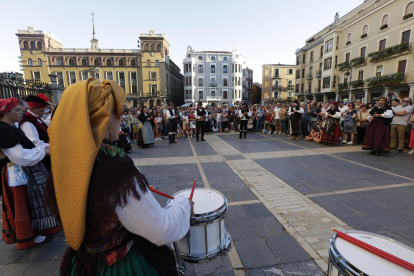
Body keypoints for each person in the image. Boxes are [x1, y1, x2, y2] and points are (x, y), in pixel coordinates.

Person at [44, 79, 194, 276]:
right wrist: (182, 205)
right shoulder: (113, 164)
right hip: (122, 266)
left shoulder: (64, 159)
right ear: (104, 117)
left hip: (84, 263)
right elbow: (161, 230)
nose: (120, 120)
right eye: (119, 113)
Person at [0, 98, 62, 250]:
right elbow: (21, 156)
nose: (20, 112)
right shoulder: (4, 129)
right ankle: (30, 235)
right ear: (6, 113)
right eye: (16, 110)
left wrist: (44, 150)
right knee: (25, 204)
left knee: (33, 202)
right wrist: (43, 151)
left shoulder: (10, 127)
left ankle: (36, 232)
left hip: (25, 170)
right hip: (18, 172)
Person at [19, 94, 52, 171]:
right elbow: (35, 143)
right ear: (32, 109)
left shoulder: (37, 118)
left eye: (44, 110)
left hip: (46, 152)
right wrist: (52, 146)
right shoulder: (27, 122)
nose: (43, 113)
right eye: (41, 111)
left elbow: (47, 124)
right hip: (40, 157)